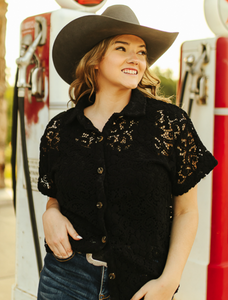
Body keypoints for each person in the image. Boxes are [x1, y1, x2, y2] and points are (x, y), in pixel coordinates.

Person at [37, 5, 217, 300]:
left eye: (142, 52)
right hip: (65, 279)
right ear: (96, 60)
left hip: (142, 284)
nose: (136, 58)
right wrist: (51, 214)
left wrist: (169, 282)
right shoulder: (61, 129)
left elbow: (186, 211)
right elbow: (57, 198)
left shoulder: (169, 123)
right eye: (122, 48)